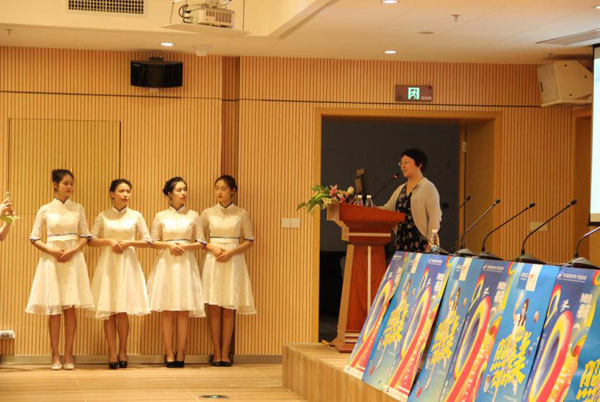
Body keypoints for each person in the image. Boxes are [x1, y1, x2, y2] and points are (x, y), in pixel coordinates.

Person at [26, 169, 94, 370]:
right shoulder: (45, 209)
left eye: (71, 183)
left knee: (70, 307)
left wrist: (72, 251)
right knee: (54, 308)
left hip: (73, 259)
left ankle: (68, 354)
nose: (69, 187)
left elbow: (85, 235)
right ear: (55, 184)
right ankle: (54, 355)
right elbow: (34, 237)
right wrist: (53, 251)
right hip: (52, 259)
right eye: (65, 183)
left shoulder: (78, 208)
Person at [88, 179, 152, 369]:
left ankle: (123, 350)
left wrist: (129, 243)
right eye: (121, 191)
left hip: (128, 263)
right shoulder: (103, 215)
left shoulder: (136, 215)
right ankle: (112, 351)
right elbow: (90, 239)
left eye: (128, 191)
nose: (125, 194)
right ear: (112, 193)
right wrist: (109, 241)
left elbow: (148, 240)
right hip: (109, 263)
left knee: (123, 311)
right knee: (109, 310)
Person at [148, 177, 206, 368]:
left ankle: (181, 351)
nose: (183, 193)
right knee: (166, 308)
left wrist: (185, 247)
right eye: (179, 190)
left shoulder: (194, 215)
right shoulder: (160, 216)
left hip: (186, 263)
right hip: (166, 263)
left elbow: (201, 242)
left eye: (185, 189)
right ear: (169, 194)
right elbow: (153, 241)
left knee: (183, 309)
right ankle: (169, 352)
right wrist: (169, 245)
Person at [201, 175, 256, 367]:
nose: (219, 192)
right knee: (214, 308)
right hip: (213, 260)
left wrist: (231, 252)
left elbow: (249, 240)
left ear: (233, 191)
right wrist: (212, 247)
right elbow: (199, 239)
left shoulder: (241, 213)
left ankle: (226, 354)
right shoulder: (207, 213)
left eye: (224, 188)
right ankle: (216, 353)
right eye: (217, 188)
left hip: (233, 260)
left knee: (229, 308)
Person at [382, 148, 442, 252]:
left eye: (406, 162)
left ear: (419, 164)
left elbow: (435, 218)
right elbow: (388, 210)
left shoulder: (428, 187)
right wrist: (369, 206)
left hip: (421, 244)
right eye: (401, 163)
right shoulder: (401, 189)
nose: (403, 166)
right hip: (401, 242)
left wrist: (430, 245)